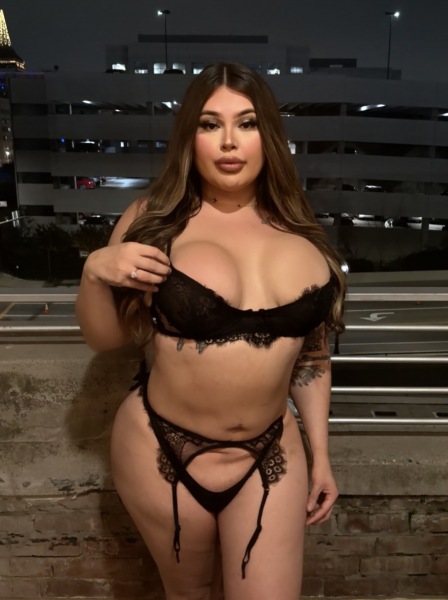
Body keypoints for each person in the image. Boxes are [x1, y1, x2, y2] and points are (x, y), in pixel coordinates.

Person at [76, 62, 345, 600]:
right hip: (160, 448)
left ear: (268, 136)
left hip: (270, 450)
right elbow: (106, 339)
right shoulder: (154, 219)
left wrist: (322, 454)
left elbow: (311, 357)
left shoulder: (299, 226)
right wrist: (94, 272)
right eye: (209, 124)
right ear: (189, 137)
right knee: (189, 594)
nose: (228, 142)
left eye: (246, 123)